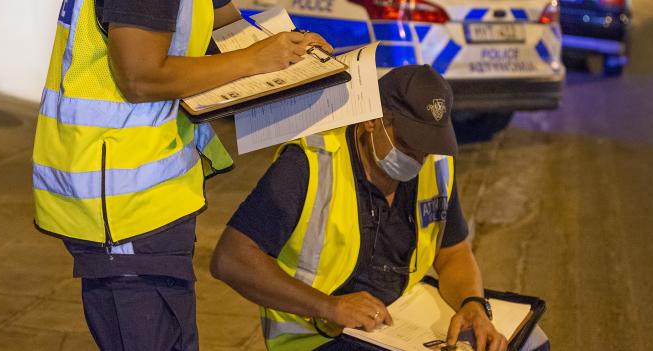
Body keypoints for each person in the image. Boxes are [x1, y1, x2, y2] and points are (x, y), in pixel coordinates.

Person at [31, 0, 330, 349]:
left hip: (154, 201)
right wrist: (256, 60)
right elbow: (142, 76)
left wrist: (303, 59)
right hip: (119, 206)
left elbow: (231, 31)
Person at [211, 65, 550, 351]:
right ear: (373, 118)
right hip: (317, 336)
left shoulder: (436, 166)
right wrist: (330, 306)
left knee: (531, 342)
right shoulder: (311, 163)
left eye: (427, 147)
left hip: (399, 323)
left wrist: (473, 306)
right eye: (407, 143)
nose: (417, 158)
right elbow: (230, 259)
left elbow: (453, 253)